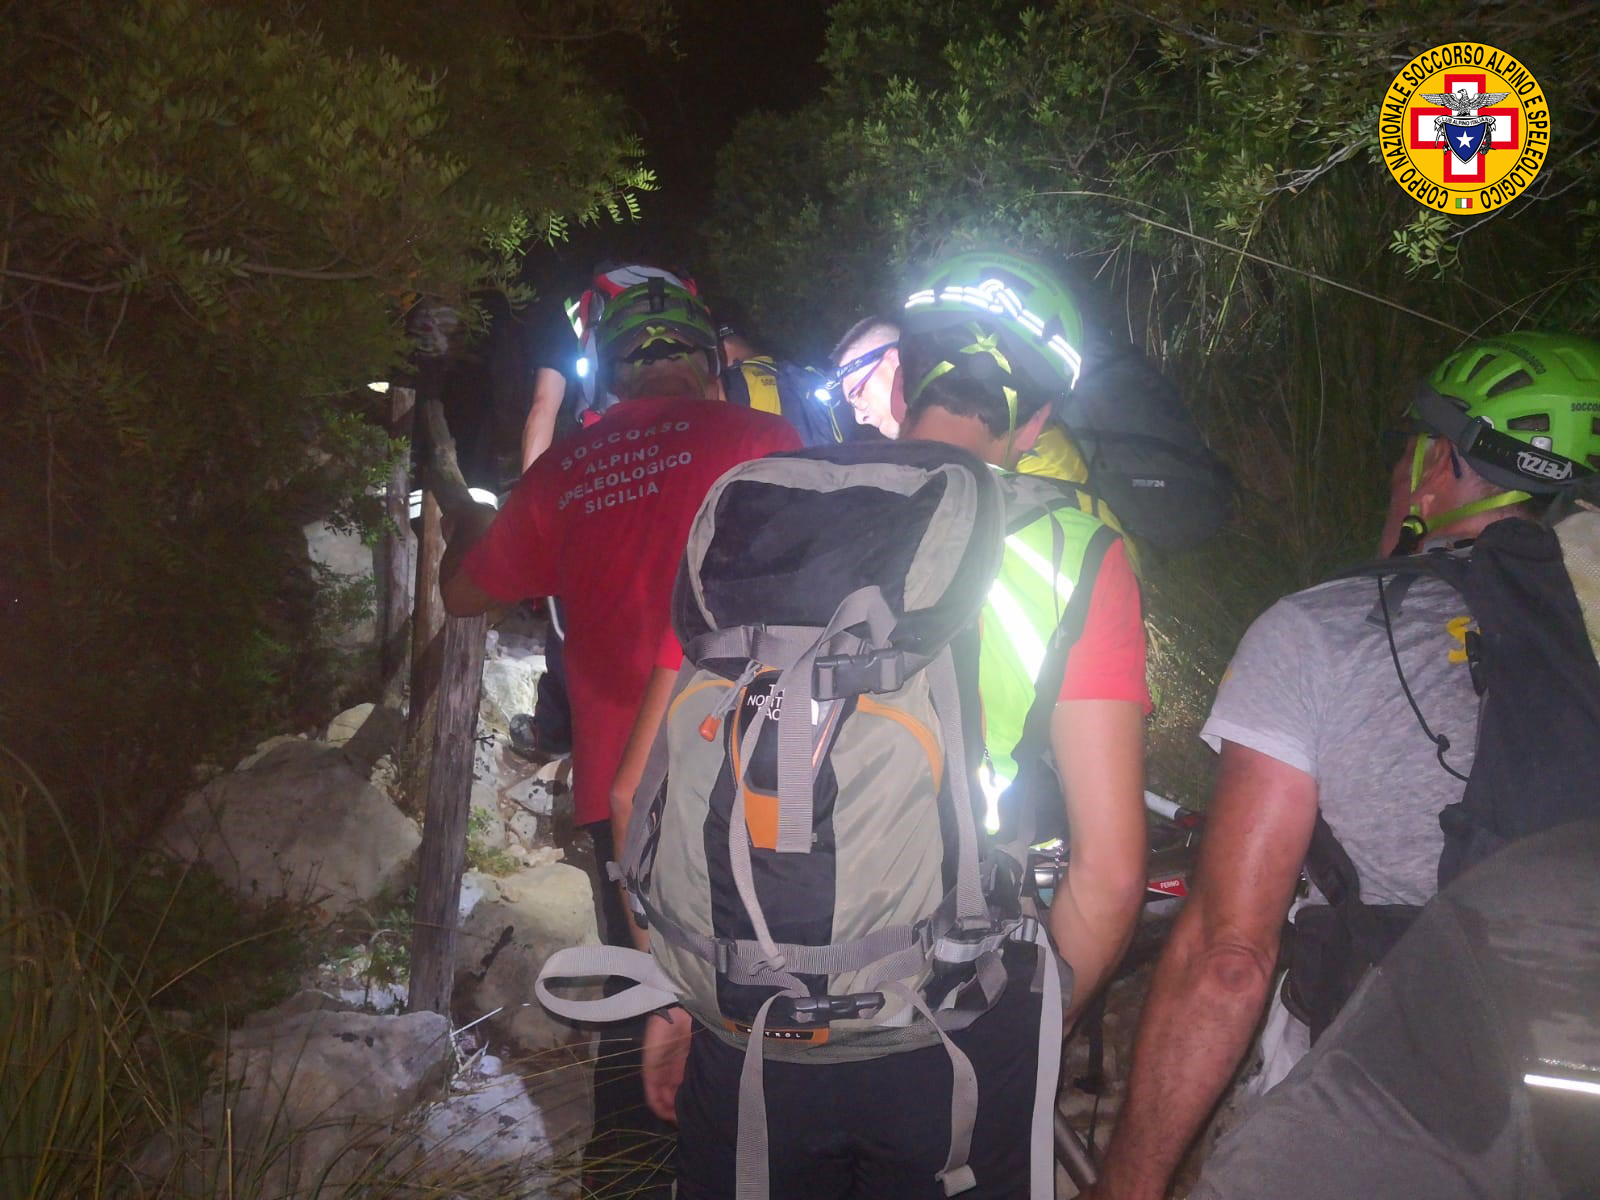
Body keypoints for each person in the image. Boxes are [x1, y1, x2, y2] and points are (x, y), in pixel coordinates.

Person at [636, 250, 1149, 1199]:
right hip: (949, 1033)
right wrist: (1039, 1030)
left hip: (742, 1017)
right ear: (1035, 421)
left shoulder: (755, 507)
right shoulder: (1075, 549)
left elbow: (647, 788)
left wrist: (679, 993)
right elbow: (1113, 873)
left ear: (902, 380)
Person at [1086, 331, 1600, 1200]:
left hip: (1398, 1112)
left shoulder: (1320, 630)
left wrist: (1126, 1188)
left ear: (1438, 461)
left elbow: (1228, 956)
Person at [440, 266, 800, 944]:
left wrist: (468, 518)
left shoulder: (563, 472)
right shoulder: (767, 442)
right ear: (708, 365)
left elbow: (461, 595)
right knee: (762, 985)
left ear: (610, 376)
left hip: (619, 786)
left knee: (650, 993)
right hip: (757, 765)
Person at [832, 315, 1132, 539]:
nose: (860, 417)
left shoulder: (1026, 455)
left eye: (857, 394)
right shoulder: (980, 440)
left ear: (896, 366)